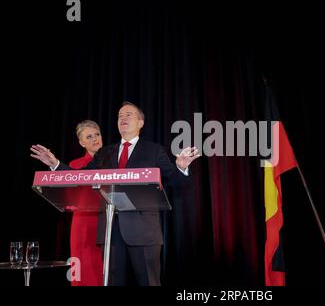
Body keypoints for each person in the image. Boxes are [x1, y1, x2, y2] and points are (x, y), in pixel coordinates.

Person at [31, 102, 200, 286]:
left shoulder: (154, 150)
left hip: (144, 232)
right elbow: (79, 178)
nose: (123, 118)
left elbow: (175, 181)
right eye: (120, 116)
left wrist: (181, 168)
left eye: (128, 114)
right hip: (110, 233)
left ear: (141, 122)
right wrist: (55, 164)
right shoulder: (104, 153)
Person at [69, 120, 104, 286]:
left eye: (97, 134)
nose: (95, 139)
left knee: (105, 270)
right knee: (83, 270)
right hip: (84, 224)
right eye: (89, 137)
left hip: (107, 221)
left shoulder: (114, 163)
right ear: (81, 142)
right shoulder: (75, 165)